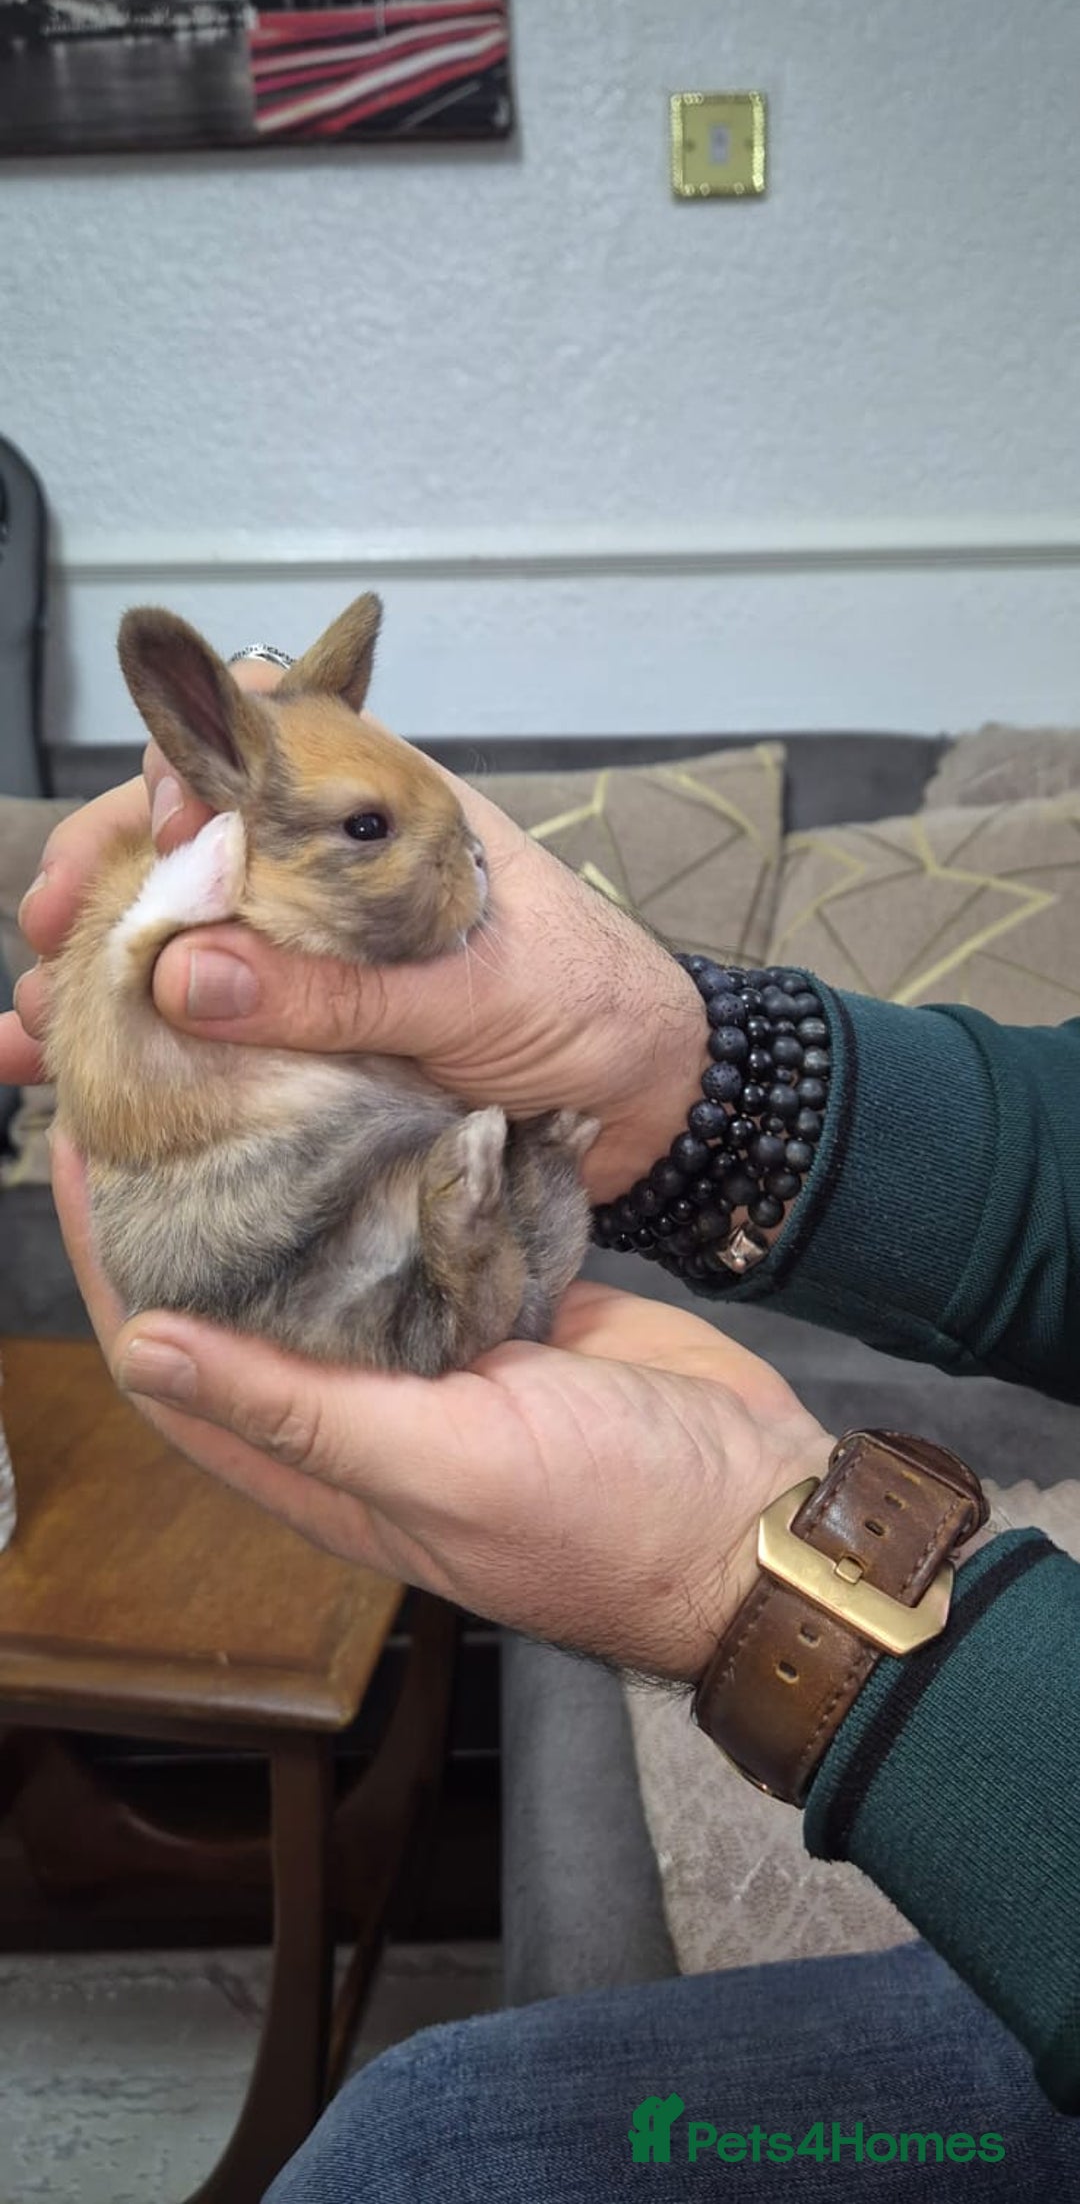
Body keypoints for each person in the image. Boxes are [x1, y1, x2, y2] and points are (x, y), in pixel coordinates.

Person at [3, 655, 1079, 2201]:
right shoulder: (180, 918)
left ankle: (460, 1247)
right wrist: (696, 1073)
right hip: (294, 1182)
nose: (473, 878)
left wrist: (750, 1579)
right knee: (409, 2137)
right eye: (382, 834)